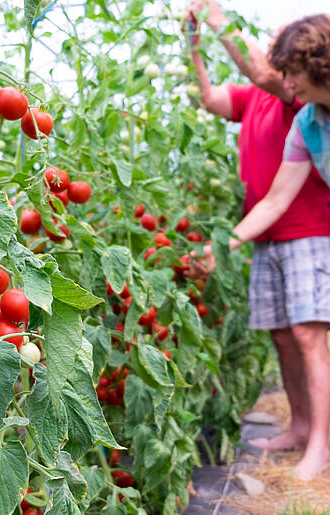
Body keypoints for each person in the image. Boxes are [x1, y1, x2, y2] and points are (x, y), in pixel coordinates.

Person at [190, 12, 330, 480]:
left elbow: (259, 71)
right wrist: (224, 245)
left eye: (291, 69)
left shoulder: (288, 100)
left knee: (310, 338)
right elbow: (274, 198)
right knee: (292, 337)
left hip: (311, 231)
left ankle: (319, 448)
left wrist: (214, 16)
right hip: (273, 233)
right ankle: (309, 435)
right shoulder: (308, 120)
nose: (286, 80)